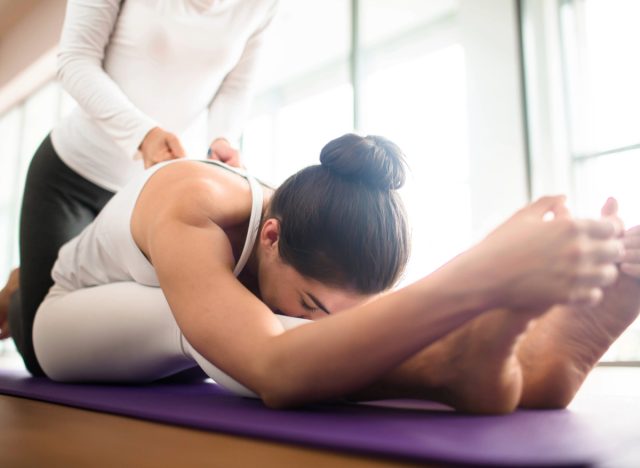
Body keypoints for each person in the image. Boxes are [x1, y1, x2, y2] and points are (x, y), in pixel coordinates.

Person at [2, 133, 639, 412]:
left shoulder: (309, 217)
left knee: (248, 319)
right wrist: (480, 277)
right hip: (60, 320)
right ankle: (452, 367)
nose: (319, 321)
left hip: (123, 279)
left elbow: (325, 320)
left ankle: (508, 362)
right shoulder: (192, 207)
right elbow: (274, 369)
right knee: (209, 328)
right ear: (269, 237)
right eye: (313, 302)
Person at [3, 0, 278, 375]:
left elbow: (234, 88)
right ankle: (24, 287)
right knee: (41, 358)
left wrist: (222, 142)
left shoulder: (262, 6)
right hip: (70, 177)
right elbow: (75, 61)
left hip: (140, 195)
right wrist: (142, 134)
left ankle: (38, 272)